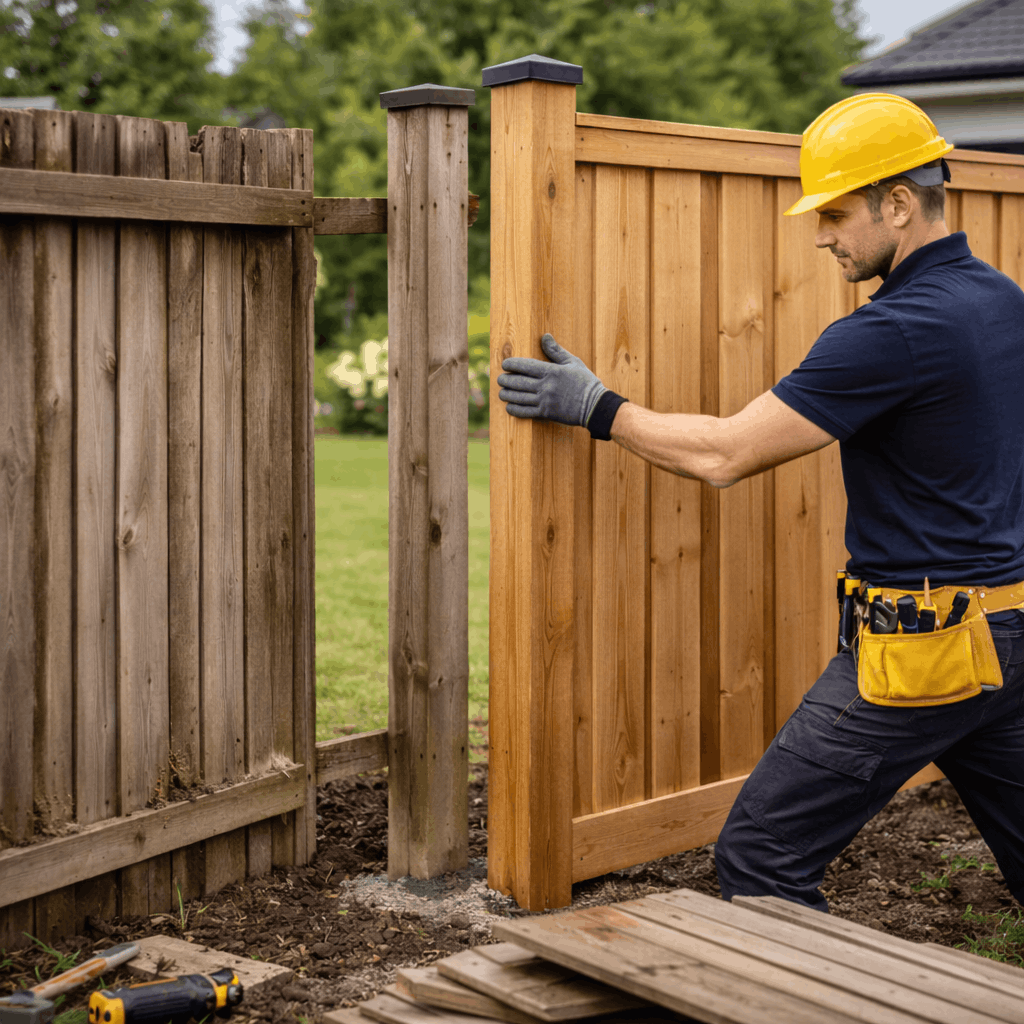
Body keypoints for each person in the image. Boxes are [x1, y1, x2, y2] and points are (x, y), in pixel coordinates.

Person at [495, 93, 1024, 912]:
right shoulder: (1003, 302)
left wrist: (597, 406)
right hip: (1012, 633)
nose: (821, 235)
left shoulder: (890, 331)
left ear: (897, 202)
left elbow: (725, 453)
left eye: (837, 213)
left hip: (925, 649)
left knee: (762, 857)